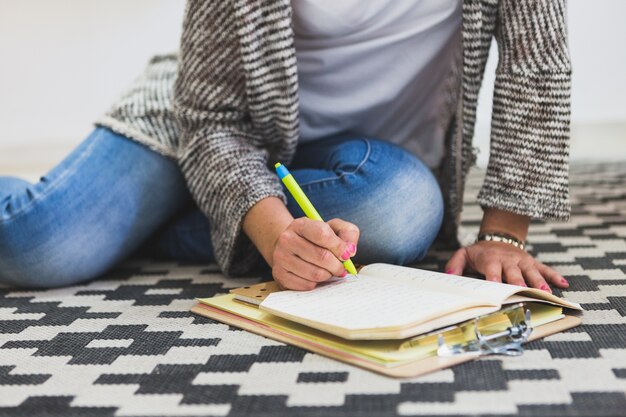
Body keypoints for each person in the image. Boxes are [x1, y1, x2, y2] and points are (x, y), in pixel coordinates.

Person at [0, 0, 572, 293]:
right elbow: (208, 114)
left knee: (402, 214)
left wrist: (503, 234)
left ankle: (178, 217)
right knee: (37, 245)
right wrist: (275, 234)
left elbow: (537, 64)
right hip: (204, 127)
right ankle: (215, 210)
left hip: (369, 167)